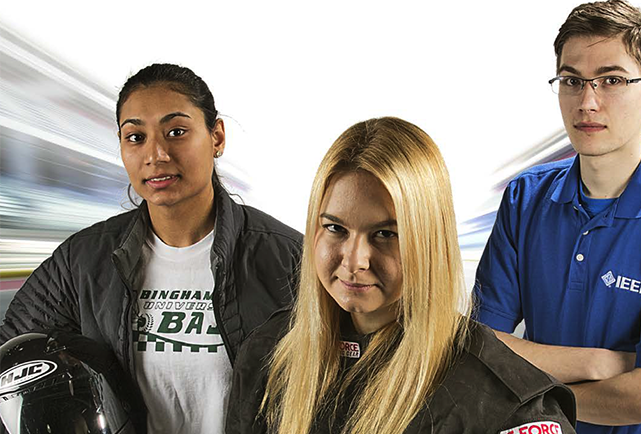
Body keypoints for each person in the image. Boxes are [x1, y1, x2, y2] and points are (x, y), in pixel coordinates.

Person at [0, 63, 302, 433]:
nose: (156, 154)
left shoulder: (287, 258)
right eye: (135, 137)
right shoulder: (81, 262)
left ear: (217, 136)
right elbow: (11, 350)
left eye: (176, 131)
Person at [225, 117, 577, 434]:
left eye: (385, 234)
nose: (354, 261)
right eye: (335, 228)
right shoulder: (269, 353)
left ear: (430, 240)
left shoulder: (508, 405)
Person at [472, 1, 641, 433]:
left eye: (611, 80)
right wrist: (599, 363)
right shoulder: (525, 198)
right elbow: (479, 347)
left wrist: (523, 395)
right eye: (572, 80)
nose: (587, 102)